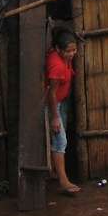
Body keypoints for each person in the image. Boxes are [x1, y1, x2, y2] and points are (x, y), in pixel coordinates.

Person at [46, 26, 80, 195]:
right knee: (61, 141)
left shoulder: (61, 56)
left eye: (74, 50)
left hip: (61, 102)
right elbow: (51, 93)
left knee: (60, 137)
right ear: (58, 49)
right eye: (69, 51)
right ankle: (63, 181)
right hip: (55, 105)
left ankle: (55, 172)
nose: (72, 54)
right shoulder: (57, 65)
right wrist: (54, 117)